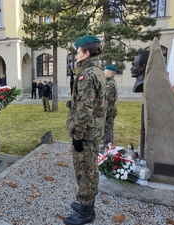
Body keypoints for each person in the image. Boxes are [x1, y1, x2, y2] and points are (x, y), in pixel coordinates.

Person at [65, 35, 106, 225]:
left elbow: (85, 108)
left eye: (78, 52)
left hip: (86, 133)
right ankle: (85, 203)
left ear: (86, 53)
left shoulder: (87, 74)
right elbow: (92, 101)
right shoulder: (97, 70)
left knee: (85, 170)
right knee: (89, 168)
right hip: (93, 130)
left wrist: (78, 135)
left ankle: (87, 211)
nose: (75, 55)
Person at [103, 65, 118, 148]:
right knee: (107, 130)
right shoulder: (108, 82)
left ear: (109, 73)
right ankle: (107, 146)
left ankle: (107, 148)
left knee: (107, 130)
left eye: (105, 71)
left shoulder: (110, 84)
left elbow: (107, 99)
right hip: (108, 110)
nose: (103, 72)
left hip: (109, 111)